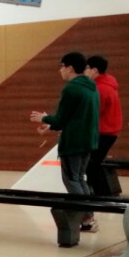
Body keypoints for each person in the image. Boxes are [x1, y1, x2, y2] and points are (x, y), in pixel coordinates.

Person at [30, 52, 100, 231]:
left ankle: (87, 218)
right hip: (88, 140)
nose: (60, 70)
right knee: (80, 179)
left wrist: (44, 118)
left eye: (61, 66)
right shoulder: (91, 86)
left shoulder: (71, 88)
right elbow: (74, 117)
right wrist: (50, 125)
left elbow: (61, 119)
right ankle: (90, 217)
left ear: (70, 68)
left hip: (74, 142)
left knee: (72, 180)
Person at [83, 55, 122, 219]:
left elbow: (92, 112)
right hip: (107, 132)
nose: (84, 71)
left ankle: (103, 196)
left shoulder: (100, 89)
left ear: (94, 70)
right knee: (93, 164)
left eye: (86, 68)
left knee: (91, 164)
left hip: (103, 132)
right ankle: (102, 194)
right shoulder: (106, 85)